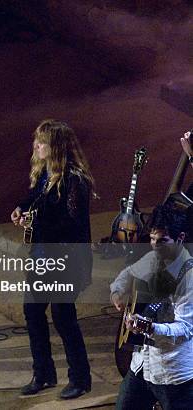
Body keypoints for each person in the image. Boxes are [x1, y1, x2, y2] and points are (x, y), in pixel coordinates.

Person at [10, 119, 94, 399]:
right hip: (42, 257)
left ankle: (80, 379)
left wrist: (35, 224)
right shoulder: (46, 173)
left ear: (56, 146)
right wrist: (22, 208)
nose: (36, 145)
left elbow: (73, 225)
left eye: (42, 141)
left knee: (63, 317)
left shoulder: (75, 181)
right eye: (37, 140)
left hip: (67, 260)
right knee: (32, 312)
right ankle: (43, 374)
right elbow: (35, 197)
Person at [110, 205, 193, 409]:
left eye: (162, 240)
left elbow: (185, 328)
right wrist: (117, 292)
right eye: (152, 239)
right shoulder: (153, 258)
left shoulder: (189, 277)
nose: (155, 246)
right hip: (142, 365)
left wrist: (150, 328)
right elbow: (127, 273)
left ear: (180, 238)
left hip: (173, 374)